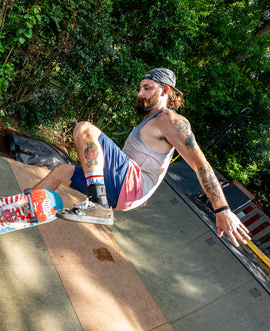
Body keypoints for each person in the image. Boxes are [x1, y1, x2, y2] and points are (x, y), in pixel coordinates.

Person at [33, 68, 251, 247]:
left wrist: (222, 209)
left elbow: (200, 164)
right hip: (123, 191)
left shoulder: (170, 119)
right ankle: (26, 209)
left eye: (147, 88)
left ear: (165, 90)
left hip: (130, 185)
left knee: (84, 128)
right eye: (140, 88)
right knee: (60, 171)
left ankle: (97, 203)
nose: (140, 93)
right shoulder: (151, 121)